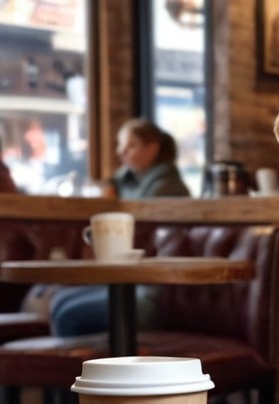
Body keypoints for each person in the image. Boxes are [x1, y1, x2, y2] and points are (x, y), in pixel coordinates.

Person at [49, 118, 190, 337]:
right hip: (132, 281)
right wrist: (112, 183)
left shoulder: (164, 187)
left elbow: (143, 239)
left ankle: (85, 369)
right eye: (120, 144)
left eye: (131, 145)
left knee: (68, 313)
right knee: (60, 301)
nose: (121, 151)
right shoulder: (132, 182)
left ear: (152, 148)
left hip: (155, 290)